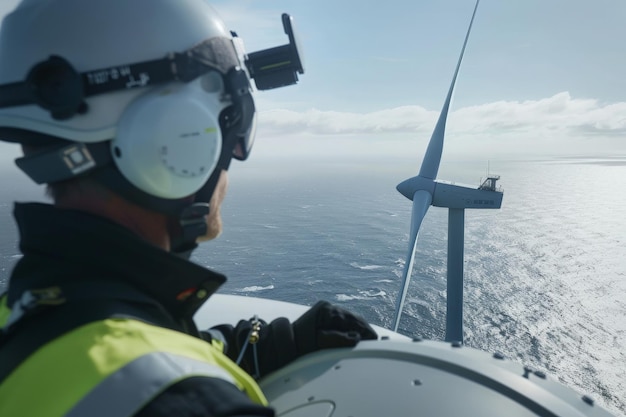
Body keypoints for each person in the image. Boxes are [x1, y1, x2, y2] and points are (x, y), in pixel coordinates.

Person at [0, 0, 377, 416]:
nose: (234, 151)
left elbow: (119, 360)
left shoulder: (26, 311)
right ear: (174, 136)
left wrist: (271, 345)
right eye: (231, 124)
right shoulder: (190, 405)